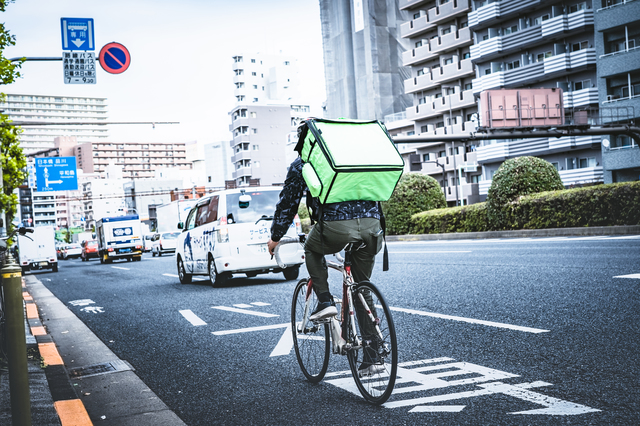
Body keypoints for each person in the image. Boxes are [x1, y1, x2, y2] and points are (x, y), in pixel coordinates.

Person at [267, 134, 384, 323]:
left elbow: (288, 204)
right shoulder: (354, 155)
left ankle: (325, 301)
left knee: (312, 249)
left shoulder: (303, 162)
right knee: (361, 286)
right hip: (373, 225)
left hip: (335, 226)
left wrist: (276, 237)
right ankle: (374, 345)